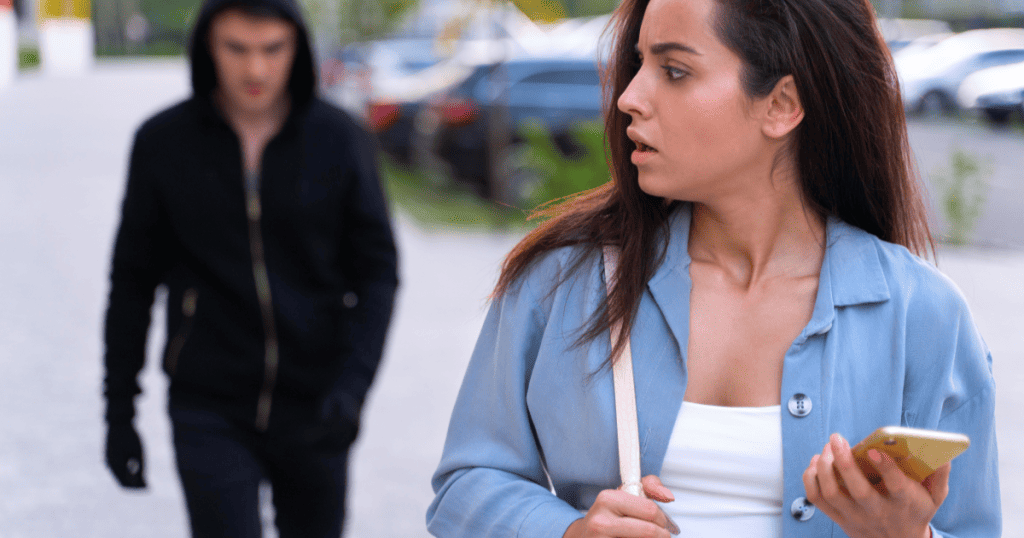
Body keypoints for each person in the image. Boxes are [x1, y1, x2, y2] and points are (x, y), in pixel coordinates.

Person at [427, 0, 1000, 536]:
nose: (629, 95)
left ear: (781, 105)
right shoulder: (562, 281)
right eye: (637, 64)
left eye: (674, 70)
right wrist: (566, 530)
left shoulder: (924, 315)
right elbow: (466, 484)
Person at [101, 0, 398, 536]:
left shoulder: (341, 138)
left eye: (272, 49)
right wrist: (118, 414)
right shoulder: (163, 143)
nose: (255, 69)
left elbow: (378, 272)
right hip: (208, 404)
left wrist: (352, 388)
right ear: (207, 47)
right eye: (236, 48)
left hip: (318, 404)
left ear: (298, 48)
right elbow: (131, 282)